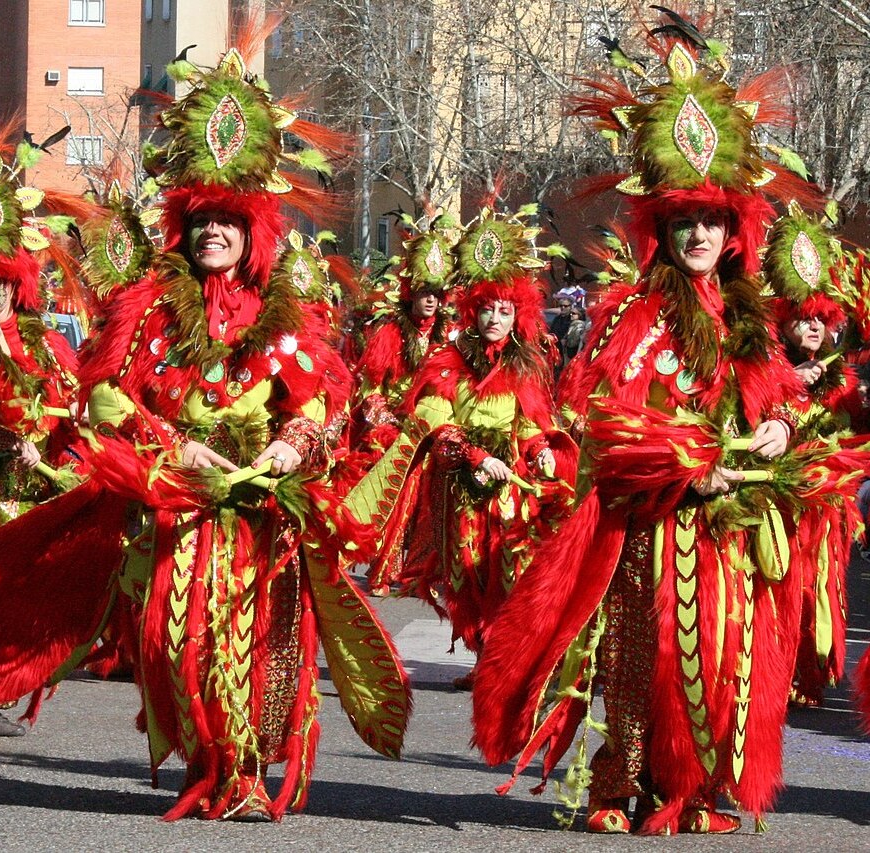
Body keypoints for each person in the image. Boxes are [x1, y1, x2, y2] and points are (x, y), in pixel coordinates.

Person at [0, 40, 411, 821]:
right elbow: (106, 400)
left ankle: (237, 774)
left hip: (259, 506)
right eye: (199, 221)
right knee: (178, 645)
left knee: (255, 642)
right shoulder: (150, 310)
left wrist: (287, 443)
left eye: (226, 223)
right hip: (177, 503)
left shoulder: (283, 318)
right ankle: (207, 759)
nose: (212, 235)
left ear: (251, 231)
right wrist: (175, 445)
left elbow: (316, 403)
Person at [472, 25, 823, 835]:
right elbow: (603, 415)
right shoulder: (633, 313)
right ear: (658, 230)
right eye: (682, 222)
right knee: (642, 656)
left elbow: (773, 401)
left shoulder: (750, 317)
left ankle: (696, 789)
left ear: (733, 229)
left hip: (728, 527)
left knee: (722, 654)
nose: (697, 236)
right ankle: (616, 786)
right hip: (651, 522)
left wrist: (772, 430)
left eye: (710, 221)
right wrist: (688, 462)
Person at [345, 207, 575, 688]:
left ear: (519, 315)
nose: (495, 318)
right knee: (465, 576)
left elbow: (533, 425)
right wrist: (473, 455)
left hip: (510, 486)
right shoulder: (449, 359)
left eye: (505, 310)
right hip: (458, 484)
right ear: (473, 311)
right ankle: (483, 658)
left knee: (511, 568)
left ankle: (513, 657)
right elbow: (438, 423)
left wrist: (543, 454)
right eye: (487, 309)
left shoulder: (527, 365)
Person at [0, 139, 85, 737]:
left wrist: (46, 448)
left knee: (8, 597)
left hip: (21, 492)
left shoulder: (45, 343)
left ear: (18, 285)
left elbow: (73, 412)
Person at [765, 206, 864, 707]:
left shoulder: (843, 378)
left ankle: (809, 677)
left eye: (819, 321)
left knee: (819, 593)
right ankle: (776, 673)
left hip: (828, 509)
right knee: (782, 591)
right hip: (778, 505)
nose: (811, 330)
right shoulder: (768, 371)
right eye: (802, 321)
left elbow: (856, 436)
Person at [351, 212, 458, 594]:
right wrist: (385, 423)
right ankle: (388, 566)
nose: (431, 300)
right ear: (411, 291)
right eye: (425, 292)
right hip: (399, 429)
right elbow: (370, 387)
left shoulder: (453, 334)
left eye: (438, 293)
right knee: (401, 493)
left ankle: (424, 572)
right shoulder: (390, 332)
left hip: (438, 428)